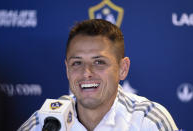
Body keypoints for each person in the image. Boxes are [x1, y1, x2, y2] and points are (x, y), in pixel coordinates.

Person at [18, 19, 178, 131]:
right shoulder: (46, 121)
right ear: (67, 69)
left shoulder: (149, 121)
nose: (86, 73)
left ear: (123, 68)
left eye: (99, 62)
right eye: (77, 63)